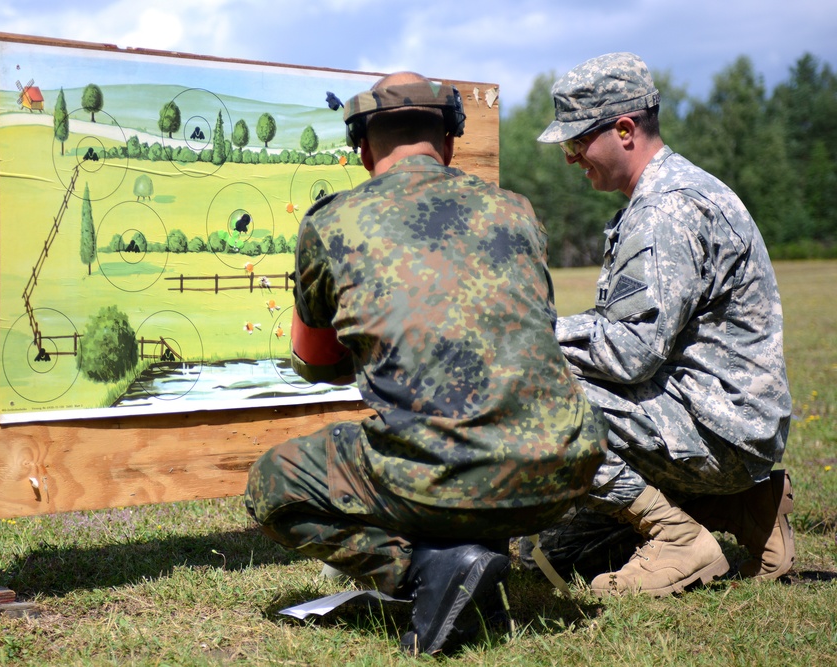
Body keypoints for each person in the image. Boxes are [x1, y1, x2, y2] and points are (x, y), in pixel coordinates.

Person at [244, 71, 607, 655]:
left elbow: (313, 361)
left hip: (446, 472)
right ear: (450, 142)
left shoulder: (331, 221)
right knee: (429, 441)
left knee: (274, 484)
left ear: (362, 148)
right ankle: (472, 555)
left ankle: (428, 570)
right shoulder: (515, 210)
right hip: (565, 467)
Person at [528, 52, 794, 597]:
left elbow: (628, 353)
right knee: (558, 551)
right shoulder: (668, 193)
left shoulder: (664, 210)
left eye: (577, 142)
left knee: (531, 392)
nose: (571, 159)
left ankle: (678, 538)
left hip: (719, 430)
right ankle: (744, 506)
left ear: (624, 130)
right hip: (730, 423)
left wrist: (529, 334)